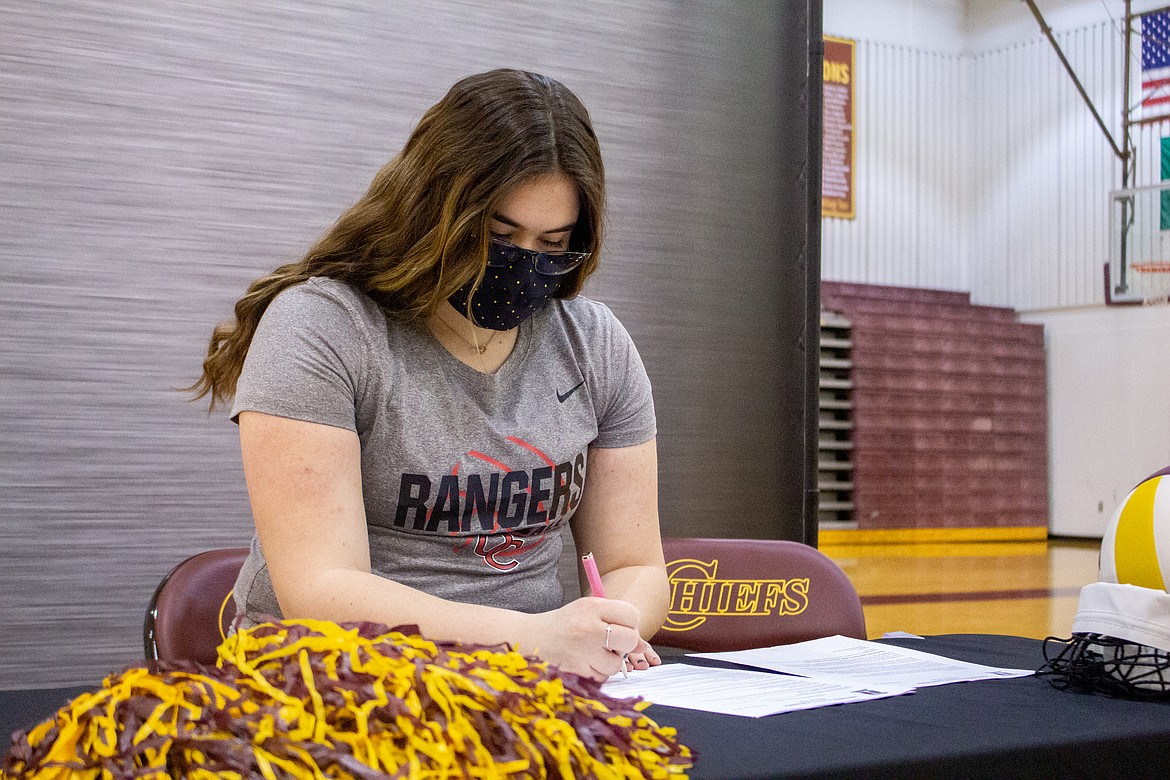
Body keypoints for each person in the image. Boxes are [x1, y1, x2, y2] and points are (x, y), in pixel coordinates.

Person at [189, 68, 669, 682]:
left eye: (552, 245)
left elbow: (635, 562)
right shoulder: (325, 328)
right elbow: (321, 593)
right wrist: (530, 639)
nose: (525, 265)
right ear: (432, 212)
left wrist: (612, 626)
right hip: (334, 684)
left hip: (540, 685)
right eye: (499, 236)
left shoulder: (593, 344)